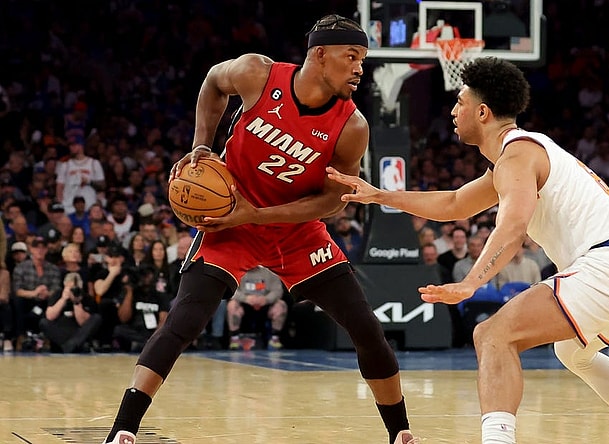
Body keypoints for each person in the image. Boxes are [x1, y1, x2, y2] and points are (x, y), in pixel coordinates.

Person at [328, 57, 609, 444]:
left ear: (482, 112)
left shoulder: (518, 155)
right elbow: (453, 205)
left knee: (494, 335)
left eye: (460, 102)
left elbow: (512, 227)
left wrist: (469, 283)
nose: (453, 111)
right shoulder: (511, 158)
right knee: (573, 354)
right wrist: (378, 194)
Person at [102, 15, 417, 444]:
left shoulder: (352, 126)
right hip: (229, 219)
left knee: (366, 328)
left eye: (362, 58)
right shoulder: (257, 73)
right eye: (353, 56)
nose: (361, 67)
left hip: (294, 229)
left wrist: (256, 214)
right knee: (184, 319)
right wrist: (201, 144)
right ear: (320, 55)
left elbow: (331, 200)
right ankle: (123, 429)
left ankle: (401, 434)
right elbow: (213, 82)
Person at [226, 265, 287, 350]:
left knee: (281, 305)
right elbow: (232, 291)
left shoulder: (269, 272)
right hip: (245, 304)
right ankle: (234, 339)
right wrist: (246, 298)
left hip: (265, 304)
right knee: (232, 305)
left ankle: (274, 339)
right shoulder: (237, 271)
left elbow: (278, 291)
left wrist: (266, 299)